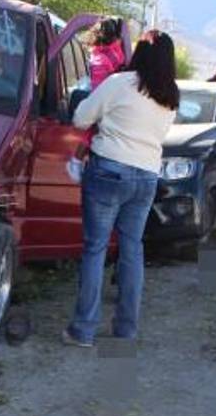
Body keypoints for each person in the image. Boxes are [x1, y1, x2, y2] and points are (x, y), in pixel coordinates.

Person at [63, 30, 179, 345]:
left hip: (108, 171)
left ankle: (83, 330)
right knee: (132, 250)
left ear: (139, 52)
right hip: (146, 177)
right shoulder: (170, 96)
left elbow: (80, 118)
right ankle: (126, 329)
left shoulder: (119, 83)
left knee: (95, 249)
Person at [66, 18, 127, 183]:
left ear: (96, 34)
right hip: (119, 104)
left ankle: (76, 161)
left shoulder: (99, 59)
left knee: (90, 130)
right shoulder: (118, 52)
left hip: (105, 101)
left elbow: (98, 90)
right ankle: (77, 162)